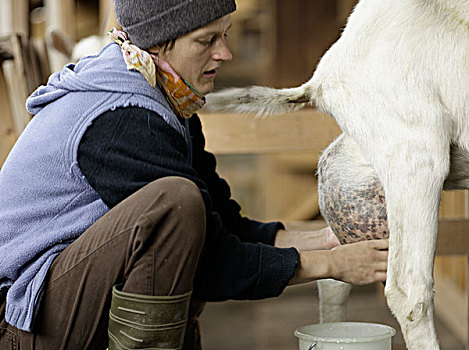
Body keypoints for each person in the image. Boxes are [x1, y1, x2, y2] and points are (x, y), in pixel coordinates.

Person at [0, 1, 389, 349]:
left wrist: (322, 241)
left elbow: (222, 226)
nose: (225, 53)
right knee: (174, 203)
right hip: (18, 321)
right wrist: (334, 266)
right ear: (158, 43)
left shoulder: (167, 99)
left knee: (184, 206)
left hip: (52, 303)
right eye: (207, 40)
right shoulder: (123, 118)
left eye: (225, 35)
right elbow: (212, 264)